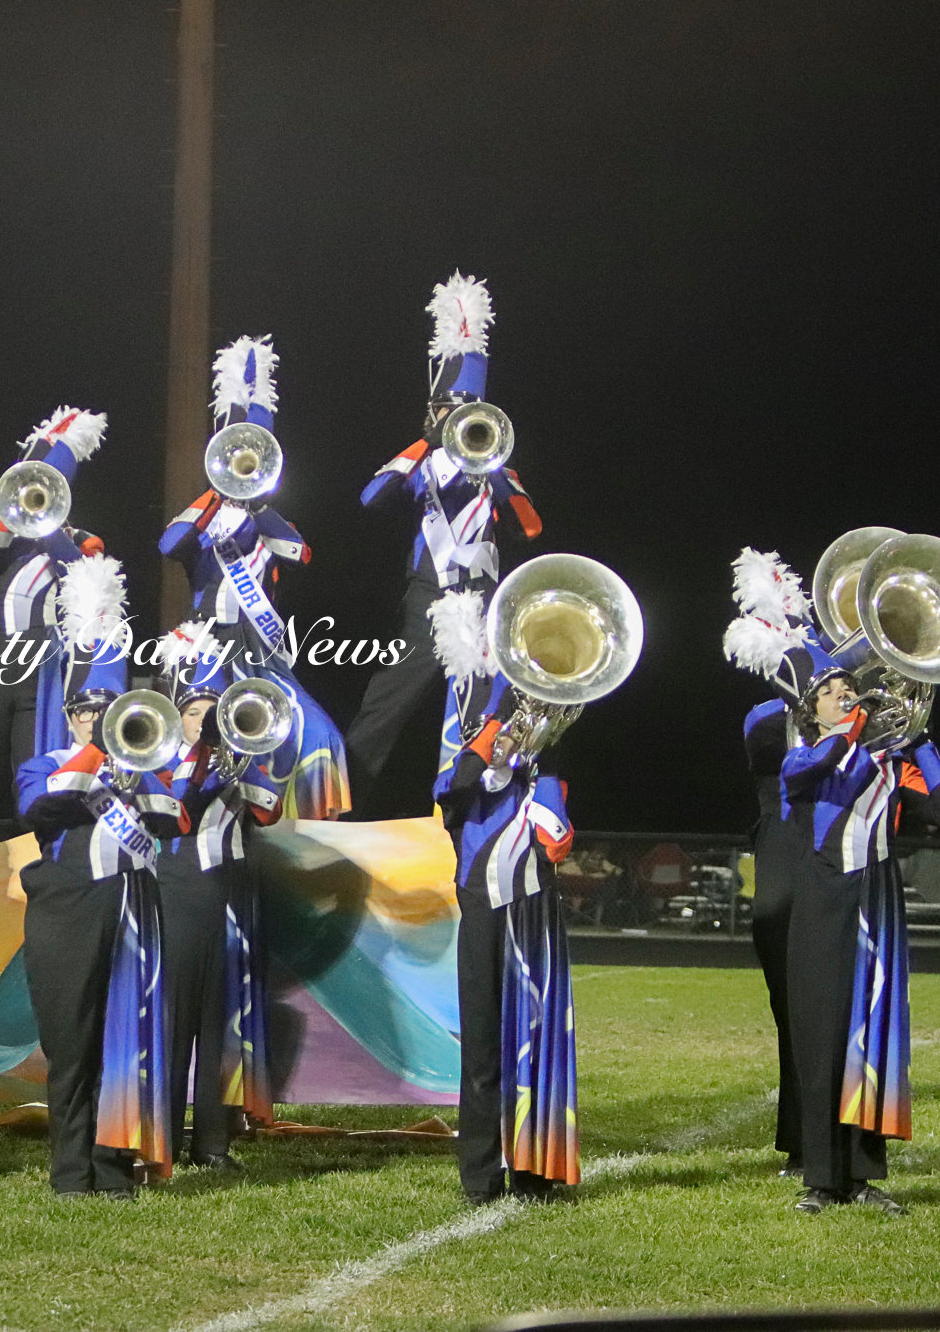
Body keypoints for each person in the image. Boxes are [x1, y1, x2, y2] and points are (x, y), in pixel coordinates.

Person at [15, 554, 187, 1198]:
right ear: (70, 713)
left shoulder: (146, 764)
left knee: (124, 1035)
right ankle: (68, 1171)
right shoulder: (46, 762)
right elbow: (41, 806)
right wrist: (96, 758)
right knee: (70, 1039)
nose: (97, 717)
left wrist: (133, 769)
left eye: (108, 706)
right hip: (65, 906)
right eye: (87, 708)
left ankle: (113, 1170)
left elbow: (176, 820)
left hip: (133, 905)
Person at [350, 275, 541, 802]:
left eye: (467, 414)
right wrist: (428, 442)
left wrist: (493, 462)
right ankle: (346, 799)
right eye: (447, 412)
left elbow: (530, 525)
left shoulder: (496, 464)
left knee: (481, 708)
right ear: (433, 413)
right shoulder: (419, 464)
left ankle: (468, 805)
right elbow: (372, 496)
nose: (459, 423)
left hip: (483, 601)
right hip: (428, 599)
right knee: (386, 704)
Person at [780, 665, 940, 1216]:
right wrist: (855, 728)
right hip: (822, 897)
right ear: (813, 712)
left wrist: (920, 737)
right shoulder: (806, 753)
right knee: (820, 1037)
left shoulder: (891, 762)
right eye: (832, 694)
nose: (845, 696)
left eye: (849, 690)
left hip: (877, 897)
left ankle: (861, 1175)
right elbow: (812, 772)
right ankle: (820, 1180)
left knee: (871, 1033)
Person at [428, 588, 578, 1205]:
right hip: (484, 908)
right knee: (484, 1044)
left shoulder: (549, 775)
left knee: (538, 1034)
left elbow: (557, 841)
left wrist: (531, 771)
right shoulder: (469, 763)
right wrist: (493, 744)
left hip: (534, 908)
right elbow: (450, 792)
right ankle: (481, 1174)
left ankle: (537, 1169)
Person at [161, 337, 348, 819]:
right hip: (203, 646)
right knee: (208, 732)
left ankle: (306, 838)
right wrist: (215, 490)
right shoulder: (200, 524)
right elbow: (168, 545)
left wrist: (258, 500)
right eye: (235, 457)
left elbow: (301, 554)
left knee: (319, 732)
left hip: (258, 650)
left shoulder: (270, 526)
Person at [0, 406, 106, 850]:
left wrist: (50, 530)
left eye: (47, 488)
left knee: (33, 789)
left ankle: (38, 883)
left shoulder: (78, 543)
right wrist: (12, 519)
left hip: (43, 680)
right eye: (29, 487)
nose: (38, 496)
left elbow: (91, 585)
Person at [153, 621, 283, 1171]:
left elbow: (269, 810)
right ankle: (162, 1140)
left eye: (213, 708)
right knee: (173, 1022)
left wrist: (241, 756)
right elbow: (175, 811)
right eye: (194, 711)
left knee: (220, 1024)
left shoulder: (242, 755)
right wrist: (204, 761)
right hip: (177, 893)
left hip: (230, 896)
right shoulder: (158, 758)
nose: (204, 719)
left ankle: (212, 1142)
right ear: (177, 715)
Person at [721, 546, 824, 1174]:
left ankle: (833, 1141)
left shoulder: (848, 723)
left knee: (826, 1004)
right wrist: (810, 694)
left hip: (827, 858)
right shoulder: (762, 718)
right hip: (782, 858)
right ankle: (800, 1140)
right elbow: (773, 748)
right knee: (790, 1009)